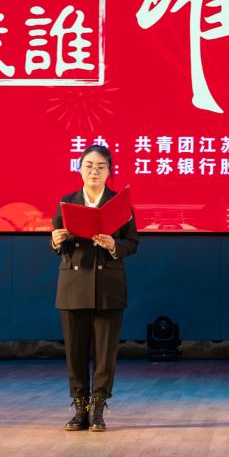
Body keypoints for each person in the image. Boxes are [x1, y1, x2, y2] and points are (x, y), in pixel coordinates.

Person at [51, 144, 138, 432]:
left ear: (109, 171)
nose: (94, 172)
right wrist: (56, 241)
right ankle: (80, 410)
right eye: (88, 166)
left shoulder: (119, 204)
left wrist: (114, 244)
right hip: (74, 285)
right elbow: (57, 243)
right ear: (79, 169)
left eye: (101, 166)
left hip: (107, 285)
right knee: (75, 353)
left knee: (105, 353)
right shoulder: (67, 202)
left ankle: (98, 409)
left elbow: (132, 243)